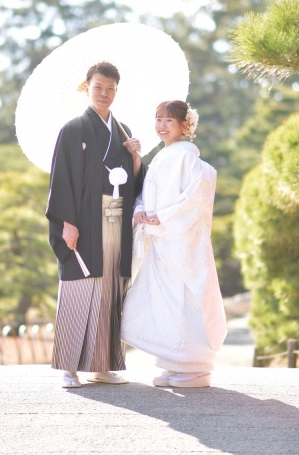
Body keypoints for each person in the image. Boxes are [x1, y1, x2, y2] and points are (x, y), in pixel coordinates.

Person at [46, 61, 146, 388]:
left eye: (111, 89)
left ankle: (102, 364)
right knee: (79, 288)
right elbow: (62, 180)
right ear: (86, 87)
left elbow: (131, 184)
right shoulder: (73, 130)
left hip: (114, 218)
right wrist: (67, 223)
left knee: (109, 291)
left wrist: (135, 159)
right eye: (98, 87)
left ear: (117, 91)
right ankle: (68, 367)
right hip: (83, 221)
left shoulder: (123, 132)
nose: (104, 94)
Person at [121, 100, 227, 388]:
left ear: (185, 125)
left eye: (169, 120)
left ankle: (194, 366)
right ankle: (172, 361)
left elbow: (195, 196)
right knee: (164, 300)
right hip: (161, 240)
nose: (161, 126)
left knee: (185, 298)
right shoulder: (160, 157)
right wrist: (140, 210)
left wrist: (162, 216)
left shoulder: (187, 157)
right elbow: (146, 194)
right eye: (158, 119)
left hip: (182, 241)